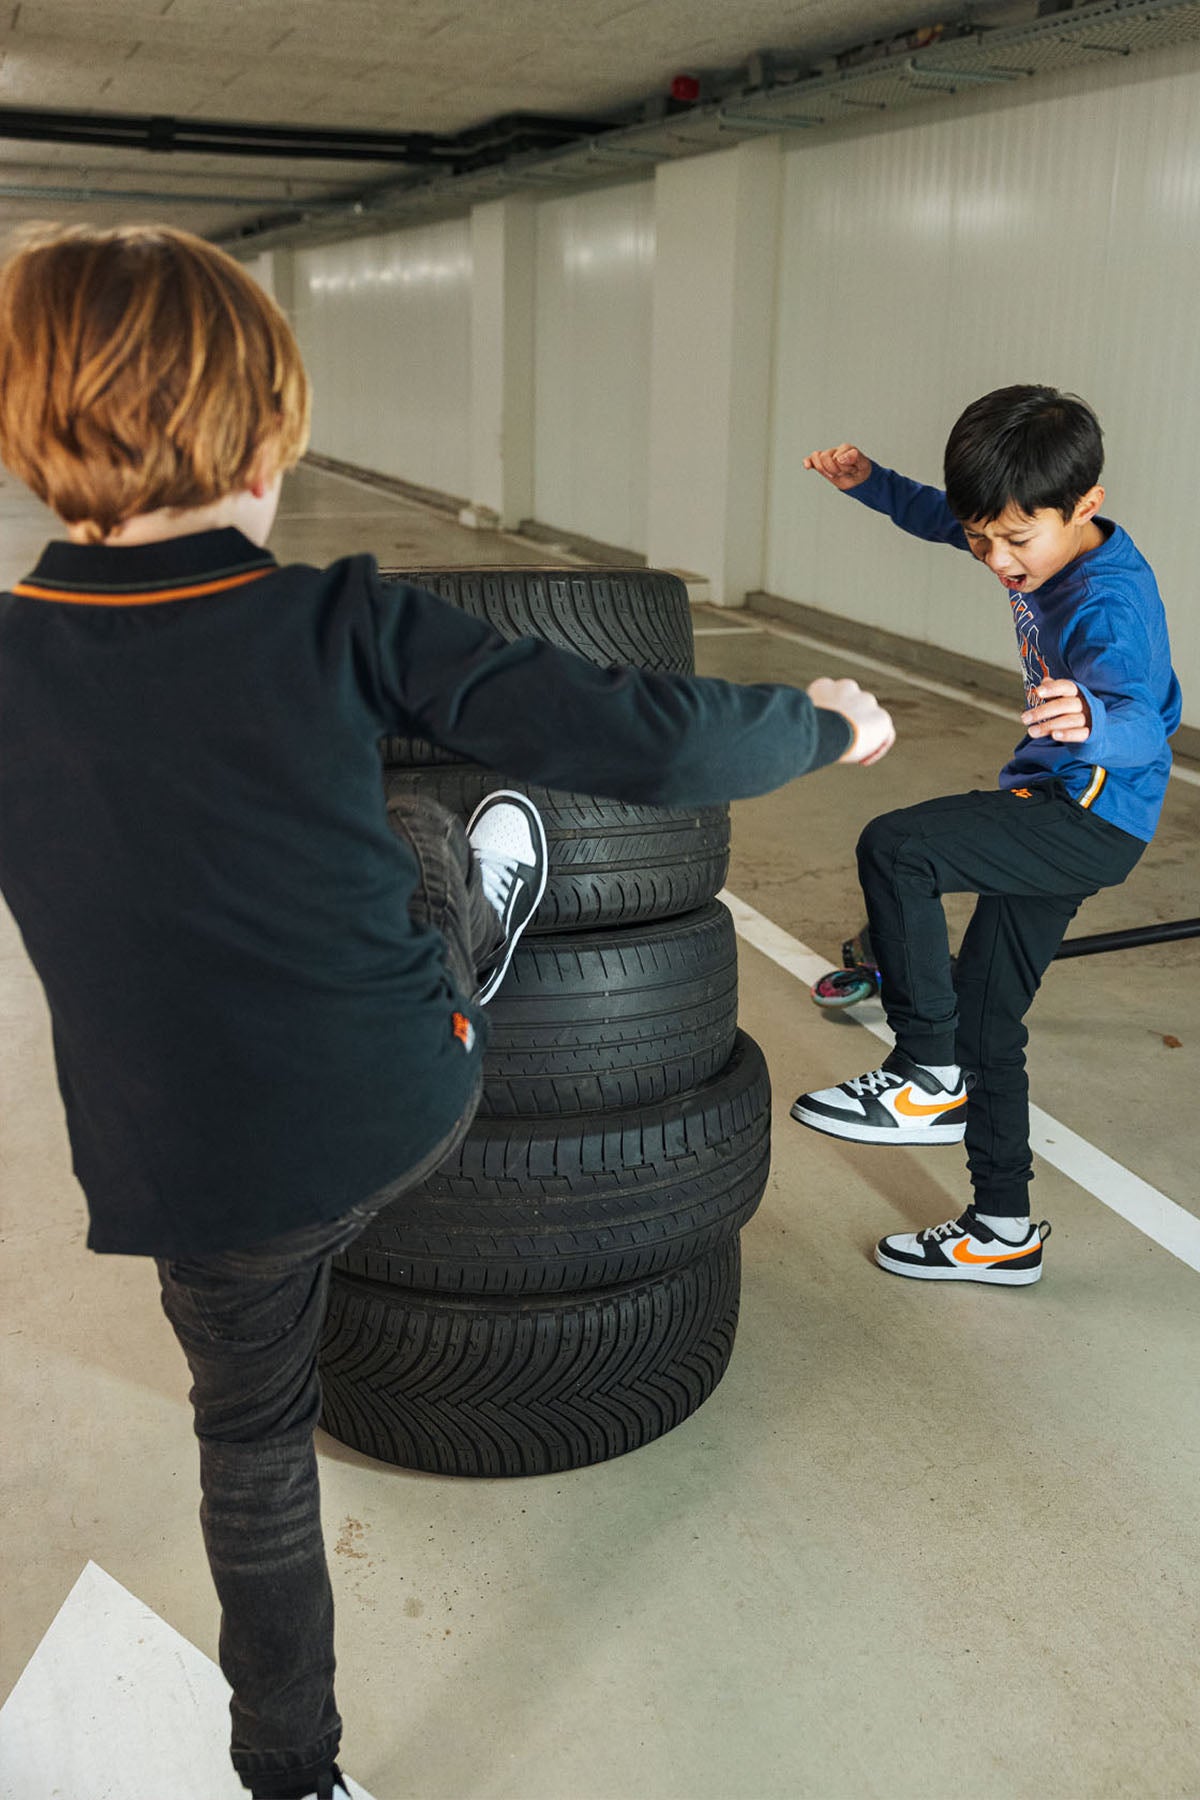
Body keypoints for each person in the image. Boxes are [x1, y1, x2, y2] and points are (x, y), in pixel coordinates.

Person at [0, 223, 894, 1800]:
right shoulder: (345, 620)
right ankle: (479, 943)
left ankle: (296, 1776)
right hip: (405, 1100)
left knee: (255, 1458)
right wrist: (822, 721)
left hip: (198, 1183)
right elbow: (657, 740)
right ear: (270, 437)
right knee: (420, 839)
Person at [791, 387, 1181, 1287]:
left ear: (1086, 504)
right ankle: (1001, 1230)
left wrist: (1091, 721)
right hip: (1068, 807)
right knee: (989, 1016)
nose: (998, 560)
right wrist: (871, 484)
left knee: (899, 846)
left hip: (1082, 813)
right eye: (983, 540)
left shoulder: (1108, 607)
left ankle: (926, 1071)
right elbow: (946, 516)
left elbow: (1144, 722)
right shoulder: (1030, 539)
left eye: (1015, 540)